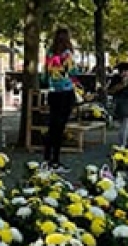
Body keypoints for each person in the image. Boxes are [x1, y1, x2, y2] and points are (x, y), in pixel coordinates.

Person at [44, 27, 80, 172]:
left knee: (52, 126)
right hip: (65, 92)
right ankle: (56, 160)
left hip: (53, 92)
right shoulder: (67, 54)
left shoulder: (50, 53)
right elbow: (73, 72)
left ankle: (47, 158)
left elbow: (45, 74)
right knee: (60, 127)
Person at [107, 62, 128, 146]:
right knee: (124, 127)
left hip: (121, 105)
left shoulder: (120, 79)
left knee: (123, 126)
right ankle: (122, 144)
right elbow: (111, 91)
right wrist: (126, 87)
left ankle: (122, 143)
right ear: (123, 71)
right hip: (123, 105)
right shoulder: (123, 80)